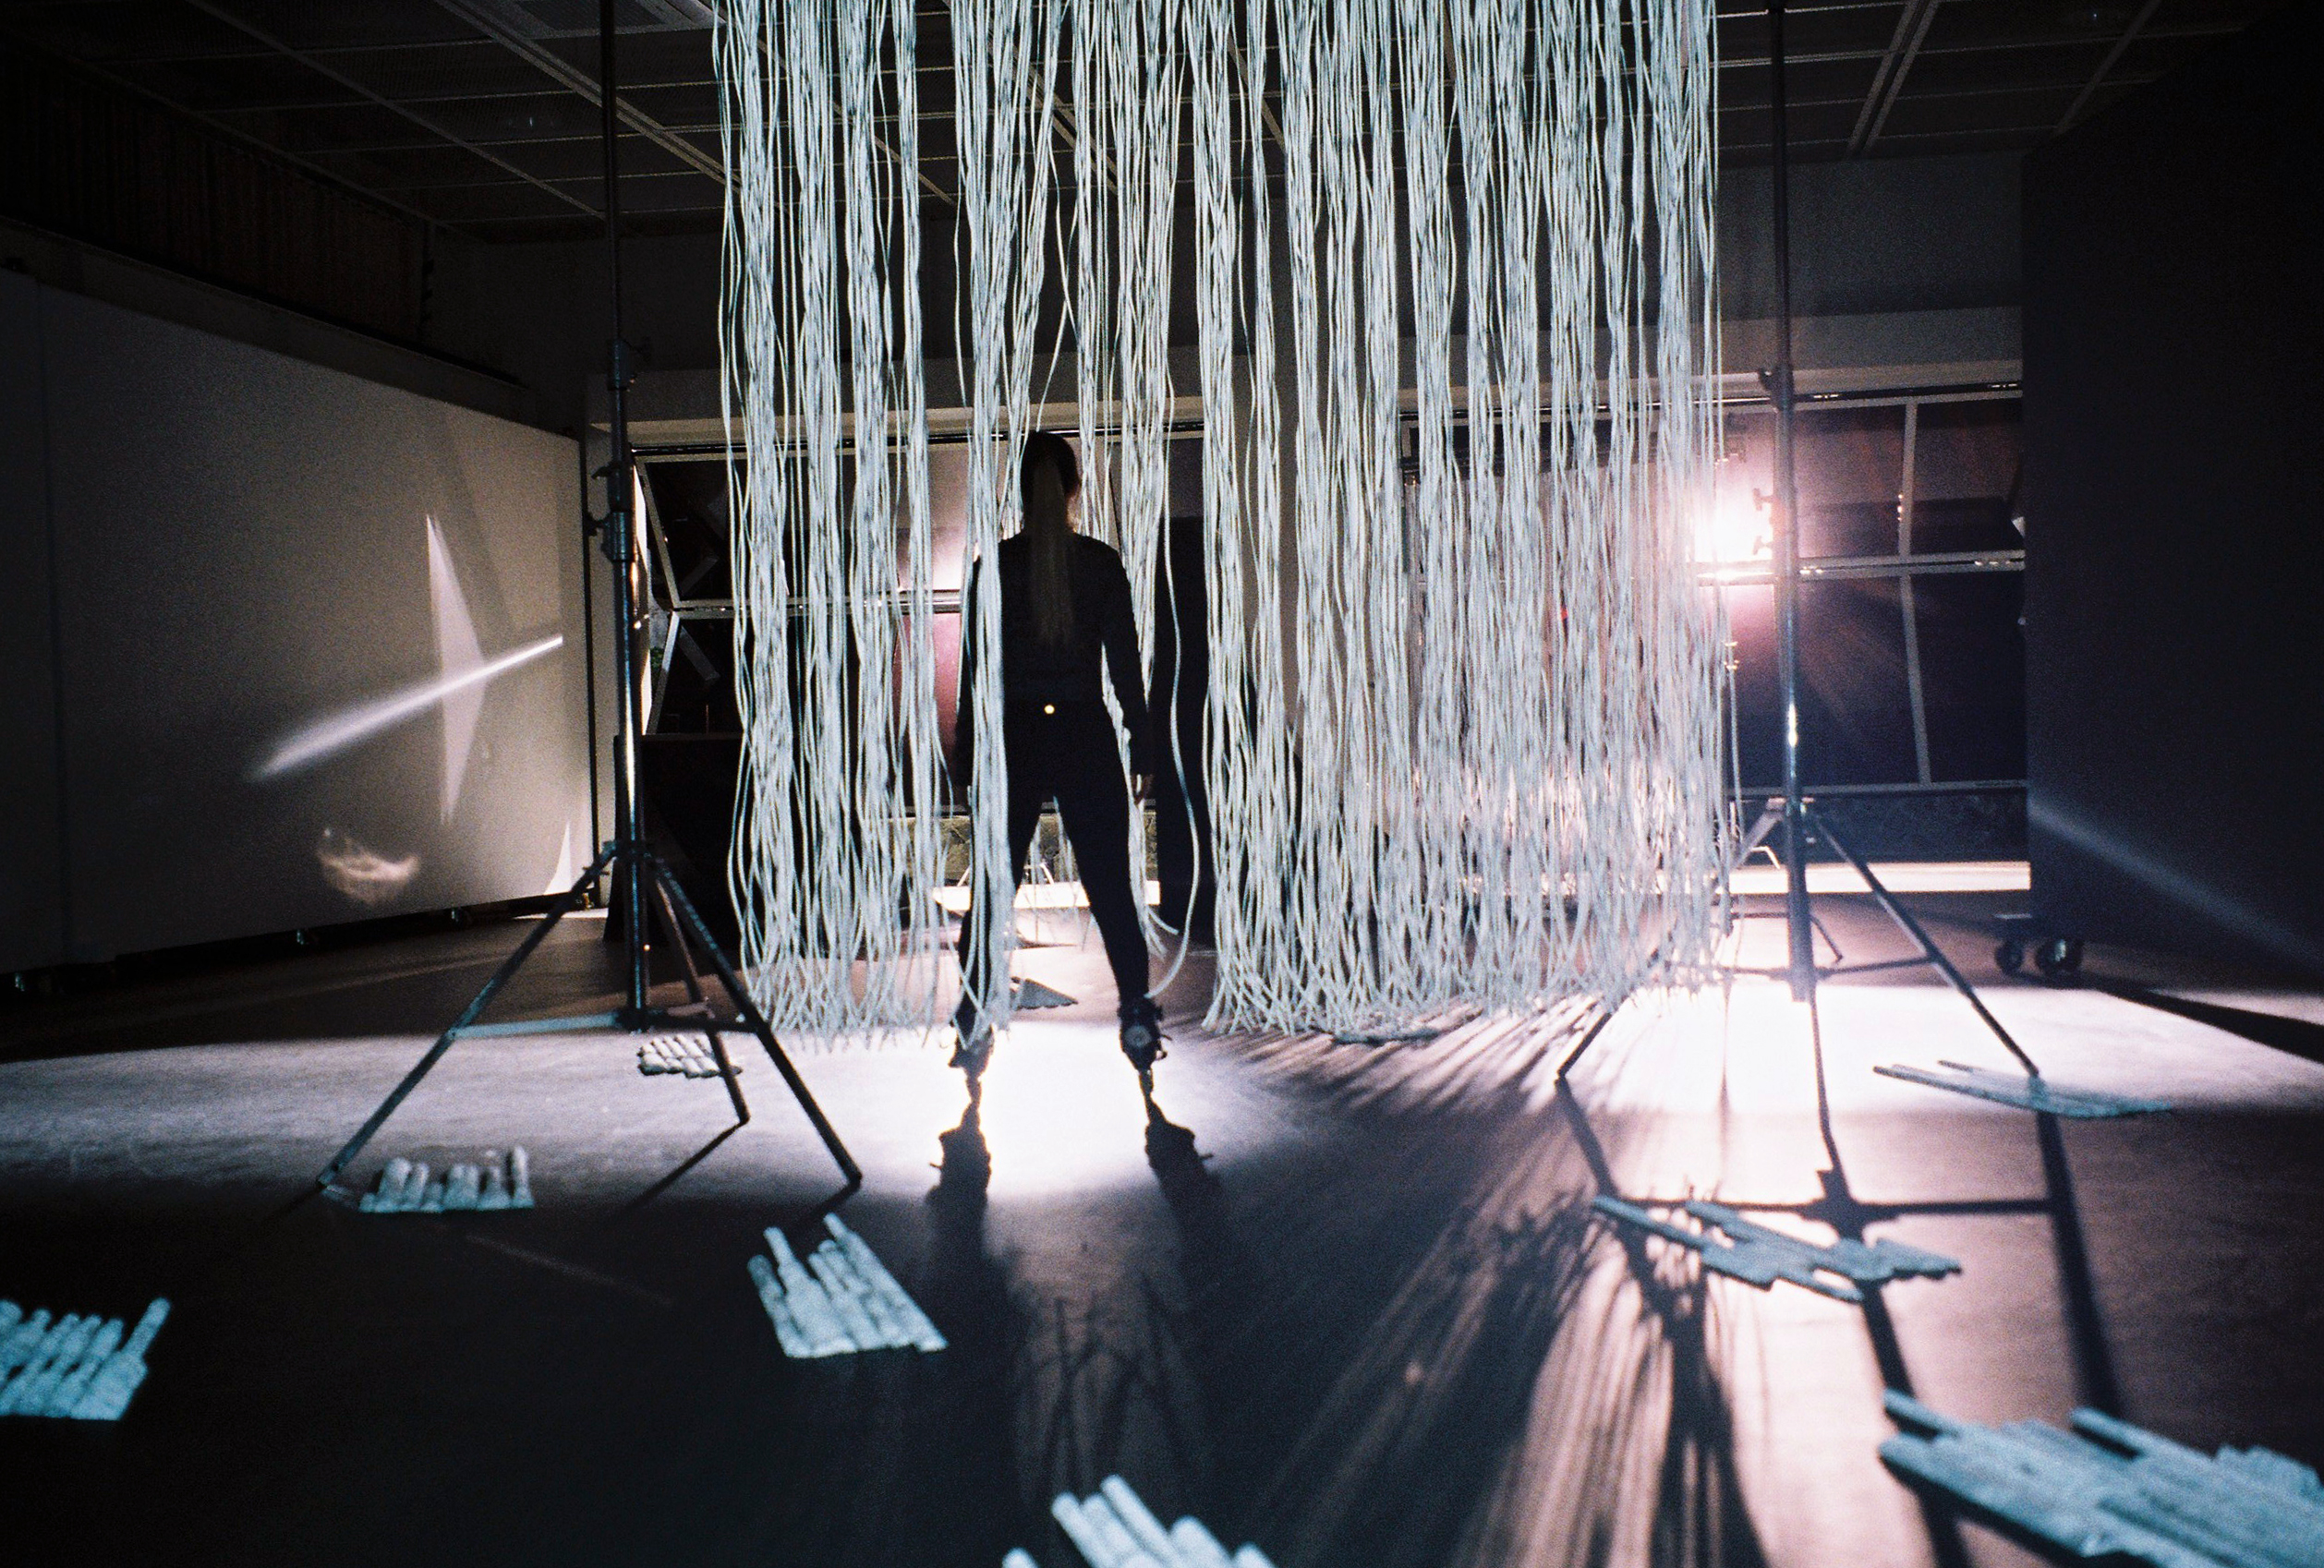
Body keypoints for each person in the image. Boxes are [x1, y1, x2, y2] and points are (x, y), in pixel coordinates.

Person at [953, 431, 1166, 1081]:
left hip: (1016, 734)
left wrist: (968, 752)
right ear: (1076, 489)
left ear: (1020, 492)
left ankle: (972, 1013)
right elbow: (1125, 666)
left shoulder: (994, 568)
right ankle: (1136, 1012)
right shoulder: (1099, 565)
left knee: (995, 884)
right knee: (1109, 885)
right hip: (1083, 731)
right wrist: (1142, 741)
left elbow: (976, 674)